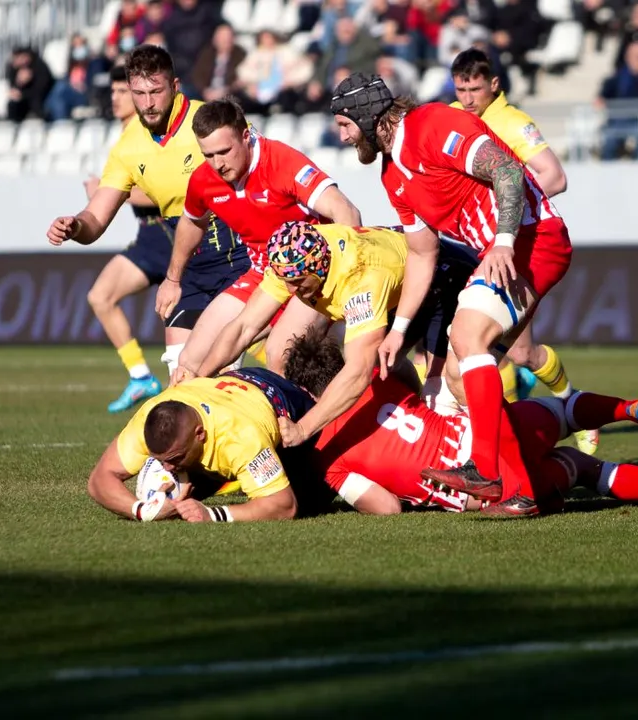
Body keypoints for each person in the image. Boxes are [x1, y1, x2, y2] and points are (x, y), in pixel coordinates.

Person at [330, 72, 574, 518]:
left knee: (466, 335)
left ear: (366, 116)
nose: (342, 136)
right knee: (460, 376)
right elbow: (423, 254)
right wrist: (398, 330)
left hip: (532, 239)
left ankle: (485, 467)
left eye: (344, 124)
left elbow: (505, 168)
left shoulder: (433, 124)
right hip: (503, 249)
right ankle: (521, 493)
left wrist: (502, 240)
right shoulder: (392, 174)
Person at [281, 326, 638, 516]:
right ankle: (628, 409)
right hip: (487, 432)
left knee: (584, 469)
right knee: (566, 412)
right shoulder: (376, 385)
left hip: (479, 486)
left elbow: (387, 506)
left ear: (306, 394)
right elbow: (405, 374)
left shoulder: (327, 459)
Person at [46, 45, 250, 381]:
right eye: (138, 93)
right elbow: (95, 219)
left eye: (156, 91)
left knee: (269, 362)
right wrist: (74, 226)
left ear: (175, 85)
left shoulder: (212, 121)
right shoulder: (128, 147)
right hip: (191, 268)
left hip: (243, 255)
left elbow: (263, 169)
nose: (148, 102)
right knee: (182, 379)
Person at [177, 221, 477, 446]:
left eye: (298, 283)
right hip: (399, 281)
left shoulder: (359, 281)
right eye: (287, 282)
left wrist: (304, 429)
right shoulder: (292, 260)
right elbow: (244, 326)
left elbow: (357, 373)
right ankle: (415, 421)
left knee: (442, 392)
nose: (291, 291)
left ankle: (471, 451)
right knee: (385, 363)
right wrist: (201, 380)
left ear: (320, 269)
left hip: (444, 280)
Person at [448, 48, 599, 455]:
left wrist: (506, 214)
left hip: (515, 246)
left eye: (475, 88)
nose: (467, 98)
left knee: (517, 350)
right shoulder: (453, 118)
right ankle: (500, 438)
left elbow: (555, 176)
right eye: (460, 88)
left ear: (494, 84)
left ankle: (573, 409)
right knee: (483, 349)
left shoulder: (514, 123)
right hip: (475, 247)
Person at [154, 99, 363, 380]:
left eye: (224, 152)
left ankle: (303, 424)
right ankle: (212, 422)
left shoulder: (281, 162)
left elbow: (346, 211)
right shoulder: (204, 179)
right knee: (190, 361)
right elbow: (193, 222)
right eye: (208, 155)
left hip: (311, 276)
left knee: (281, 356)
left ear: (245, 136)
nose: (217, 163)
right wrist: (173, 279)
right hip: (264, 276)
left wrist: (345, 279)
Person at [84, 365, 321, 523]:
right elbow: (99, 480)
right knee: (188, 489)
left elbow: (283, 505)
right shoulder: (151, 417)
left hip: (286, 404)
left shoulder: (239, 438)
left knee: (312, 499)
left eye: (175, 458)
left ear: (200, 434)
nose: (166, 468)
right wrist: (142, 510)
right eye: (159, 459)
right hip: (232, 388)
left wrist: (212, 514)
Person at [84, 66, 172, 412]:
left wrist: (108, 193)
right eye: (115, 92)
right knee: (101, 296)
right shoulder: (125, 133)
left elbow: (160, 190)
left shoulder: (143, 130)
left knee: (231, 323)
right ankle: (140, 377)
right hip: (149, 237)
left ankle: (286, 361)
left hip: (171, 234)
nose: (117, 98)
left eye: (124, 92)